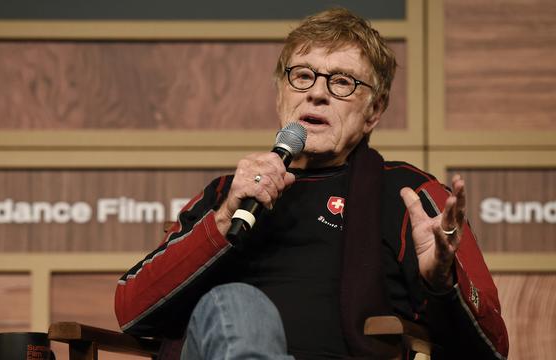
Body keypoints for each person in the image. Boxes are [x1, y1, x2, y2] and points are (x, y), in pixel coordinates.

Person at [115, 7, 509, 360]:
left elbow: (493, 348)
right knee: (234, 304)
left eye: (342, 82)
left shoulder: (412, 195)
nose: (317, 93)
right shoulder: (226, 193)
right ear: (280, 95)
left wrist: (441, 283)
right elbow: (131, 309)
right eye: (302, 76)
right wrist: (221, 222)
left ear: (374, 111)